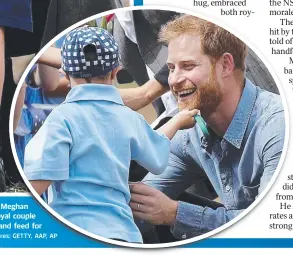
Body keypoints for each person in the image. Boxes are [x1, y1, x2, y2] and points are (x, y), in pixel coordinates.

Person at [23, 27, 198, 243]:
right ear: (116, 71)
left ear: (65, 74)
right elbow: (158, 156)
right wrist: (178, 121)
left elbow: (36, 182)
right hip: (123, 236)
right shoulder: (129, 118)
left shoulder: (61, 119)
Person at [129, 15, 285, 240]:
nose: (174, 80)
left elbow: (274, 228)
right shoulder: (189, 135)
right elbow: (139, 205)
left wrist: (174, 213)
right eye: (171, 68)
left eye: (188, 66)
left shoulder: (277, 127)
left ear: (225, 65)